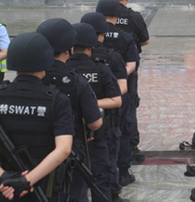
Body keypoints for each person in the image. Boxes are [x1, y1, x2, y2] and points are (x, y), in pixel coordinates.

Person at [0, 33, 73, 202]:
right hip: (43, 186)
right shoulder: (57, 99)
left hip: (4, 190)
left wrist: (5, 179)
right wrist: (25, 181)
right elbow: (64, 149)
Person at [36, 19, 103, 202]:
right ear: (69, 49)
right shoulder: (77, 82)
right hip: (71, 156)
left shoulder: (36, 78)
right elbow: (95, 123)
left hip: (34, 157)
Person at [66, 23, 122, 202]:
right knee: (100, 179)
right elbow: (117, 100)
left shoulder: (63, 71)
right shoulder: (101, 69)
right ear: (91, 47)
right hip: (95, 135)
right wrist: (91, 105)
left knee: (73, 182)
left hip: (67, 136)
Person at [80, 13, 129, 202]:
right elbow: (119, 95)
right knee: (105, 167)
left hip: (72, 132)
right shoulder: (106, 63)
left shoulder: (66, 67)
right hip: (104, 126)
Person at [106, 0, 150, 165]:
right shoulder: (134, 17)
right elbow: (145, 41)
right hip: (128, 70)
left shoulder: (100, 16)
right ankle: (130, 147)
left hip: (103, 71)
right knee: (129, 106)